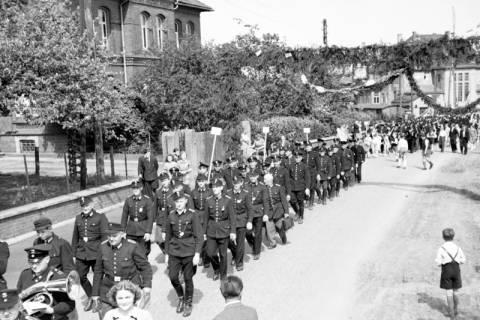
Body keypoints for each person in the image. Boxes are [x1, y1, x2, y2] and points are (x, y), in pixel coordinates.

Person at [91, 223, 152, 319]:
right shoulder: (103, 247)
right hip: (108, 289)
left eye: (114, 236)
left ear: (122, 234)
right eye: (109, 236)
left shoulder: (132, 246)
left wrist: (147, 286)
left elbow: (145, 267)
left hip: (129, 288)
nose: (111, 239)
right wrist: (95, 293)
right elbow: (98, 271)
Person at [164, 192, 202, 317]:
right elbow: (168, 236)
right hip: (174, 251)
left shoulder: (192, 215)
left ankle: (188, 302)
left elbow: (199, 236)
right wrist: (167, 254)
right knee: (173, 277)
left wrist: (197, 253)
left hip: (189, 251)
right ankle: (181, 297)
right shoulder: (171, 216)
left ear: (185, 201)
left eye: (181, 202)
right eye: (176, 202)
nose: (178, 204)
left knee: (187, 278)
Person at [17, 244, 75, 320]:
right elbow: (18, 295)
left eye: (37, 263)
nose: (34, 266)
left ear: (47, 259)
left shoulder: (58, 277)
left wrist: (52, 310)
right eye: (31, 263)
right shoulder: (25, 274)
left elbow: (70, 304)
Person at [71, 196, 109, 311]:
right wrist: (73, 254)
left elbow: (105, 236)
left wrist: (104, 251)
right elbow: (75, 237)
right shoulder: (78, 218)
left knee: (98, 276)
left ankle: (98, 300)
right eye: (82, 206)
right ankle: (91, 297)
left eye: (87, 205)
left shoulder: (100, 217)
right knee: (80, 276)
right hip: (82, 253)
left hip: (96, 251)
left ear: (92, 205)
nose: (85, 208)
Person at [204, 179, 236, 280]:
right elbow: (206, 218)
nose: (215, 189)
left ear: (221, 188)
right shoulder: (208, 200)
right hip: (211, 230)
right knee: (210, 253)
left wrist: (233, 231)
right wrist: (204, 232)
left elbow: (232, 217)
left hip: (224, 230)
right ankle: (216, 268)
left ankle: (223, 275)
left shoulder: (227, 199)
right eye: (213, 187)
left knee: (223, 254)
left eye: (217, 187)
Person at [435, 228, 466, 320]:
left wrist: (443, 262)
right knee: (456, 292)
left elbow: (438, 262)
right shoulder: (458, 248)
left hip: (446, 270)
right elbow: (463, 260)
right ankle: (456, 310)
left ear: (443, 237)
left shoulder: (441, 248)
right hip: (456, 270)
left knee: (449, 292)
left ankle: (452, 315)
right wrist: (457, 261)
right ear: (453, 236)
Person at [120, 181, 154, 256]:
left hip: (142, 230)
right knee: (130, 252)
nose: (135, 190)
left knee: (143, 253)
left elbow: (150, 217)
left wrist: (148, 232)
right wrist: (122, 230)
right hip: (131, 230)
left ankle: (143, 267)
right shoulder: (128, 200)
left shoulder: (147, 200)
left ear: (141, 188)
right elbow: (124, 216)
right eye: (133, 188)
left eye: (137, 188)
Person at [227, 175, 252, 271]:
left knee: (240, 243)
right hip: (229, 221)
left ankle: (239, 262)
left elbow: (250, 209)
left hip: (241, 220)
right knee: (229, 241)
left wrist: (249, 221)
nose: (236, 185)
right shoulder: (228, 193)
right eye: (234, 183)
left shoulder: (245, 194)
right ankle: (235, 254)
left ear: (241, 183)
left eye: (237, 183)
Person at [245, 169, 268, 260]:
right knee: (247, 232)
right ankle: (253, 243)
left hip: (258, 212)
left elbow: (265, 201)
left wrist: (266, 213)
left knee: (258, 233)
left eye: (254, 176)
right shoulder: (245, 186)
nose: (252, 178)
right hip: (248, 212)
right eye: (251, 176)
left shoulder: (262, 187)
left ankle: (257, 251)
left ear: (257, 176)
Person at [152, 172, 175, 256]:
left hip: (171, 216)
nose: (163, 182)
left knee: (171, 239)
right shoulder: (158, 192)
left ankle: (172, 256)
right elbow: (155, 207)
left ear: (169, 180)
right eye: (162, 181)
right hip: (161, 218)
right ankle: (167, 253)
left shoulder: (173, 191)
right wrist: (154, 220)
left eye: (165, 180)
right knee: (158, 239)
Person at [263, 173, 288, 246]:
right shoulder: (264, 189)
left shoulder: (278, 187)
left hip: (278, 210)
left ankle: (283, 237)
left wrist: (286, 212)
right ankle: (273, 242)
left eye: (265, 180)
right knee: (269, 227)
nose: (264, 181)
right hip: (268, 211)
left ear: (270, 180)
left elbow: (284, 200)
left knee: (279, 226)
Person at [288, 150, 310, 224]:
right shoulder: (291, 165)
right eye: (296, 157)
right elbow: (288, 176)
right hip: (292, 187)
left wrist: (307, 188)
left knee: (300, 202)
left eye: (298, 157)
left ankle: (301, 216)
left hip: (301, 186)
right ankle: (297, 212)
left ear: (301, 158)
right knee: (292, 201)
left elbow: (307, 178)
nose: (297, 159)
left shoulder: (304, 166)